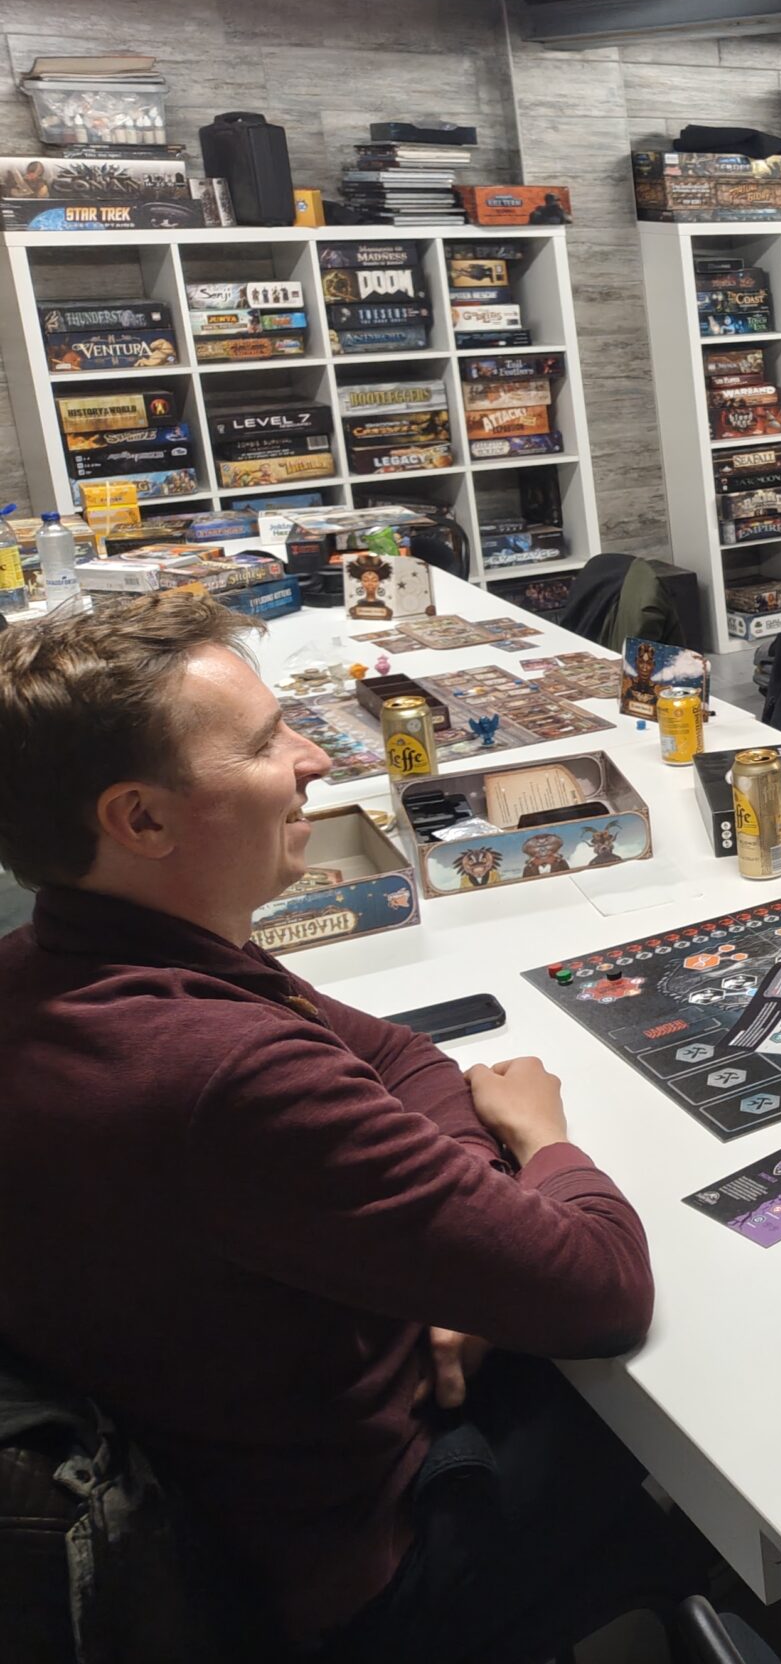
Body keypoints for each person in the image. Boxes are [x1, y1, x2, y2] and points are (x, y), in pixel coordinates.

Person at [0, 596, 680, 1662]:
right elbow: (602, 1285)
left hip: (219, 1478)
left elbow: (401, 1058)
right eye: (265, 742)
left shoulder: (74, 958)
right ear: (141, 820)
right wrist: (540, 1142)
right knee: (702, 1420)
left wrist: (454, 1249)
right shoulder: (222, 1070)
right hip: (363, 1562)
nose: (314, 758)